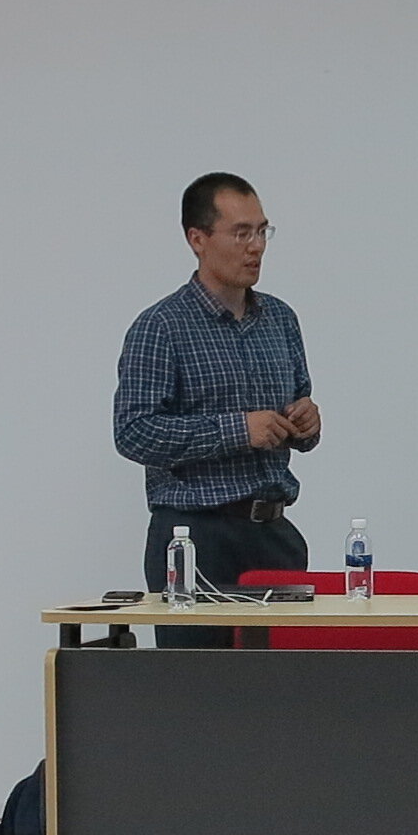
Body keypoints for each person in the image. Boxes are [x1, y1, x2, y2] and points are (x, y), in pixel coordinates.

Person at [112, 172, 317, 632]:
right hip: (196, 538)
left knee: (286, 675)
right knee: (200, 676)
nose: (256, 247)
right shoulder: (161, 327)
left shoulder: (281, 319)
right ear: (198, 239)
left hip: (274, 533)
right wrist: (239, 430)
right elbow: (133, 432)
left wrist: (306, 423)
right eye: (241, 233)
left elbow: (298, 406)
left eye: (262, 231)